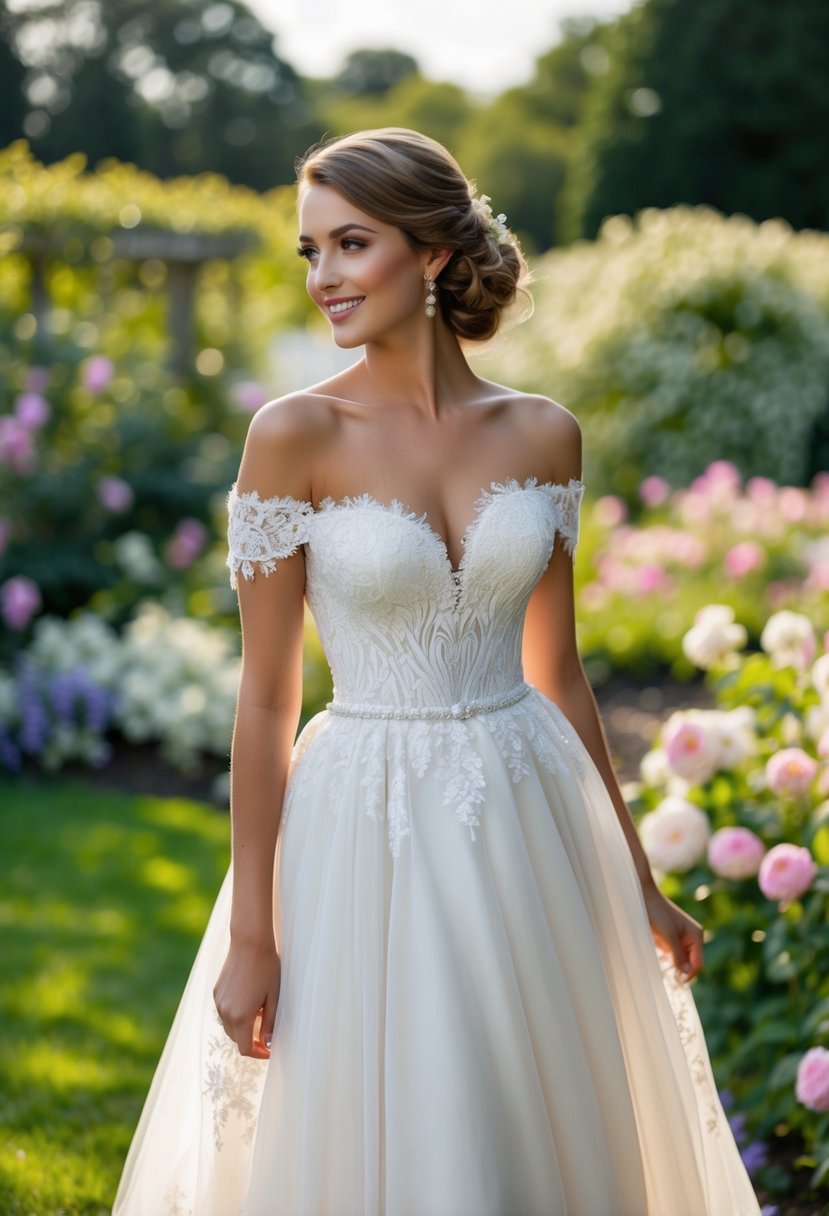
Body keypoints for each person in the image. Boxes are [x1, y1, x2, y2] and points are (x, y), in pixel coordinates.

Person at [113, 128, 760, 1215]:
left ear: (432, 255)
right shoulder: (292, 435)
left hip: (528, 809)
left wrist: (637, 883)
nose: (322, 279)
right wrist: (254, 935)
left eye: (348, 245)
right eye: (308, 252)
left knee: (528, 1111)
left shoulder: (544, 434)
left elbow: (560, 670)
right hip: (363, 819)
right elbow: (268, 698)